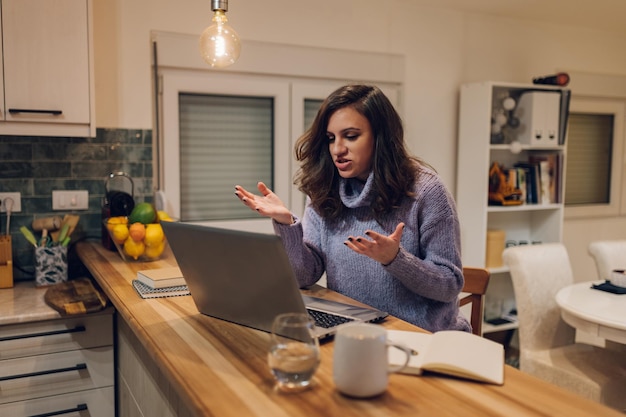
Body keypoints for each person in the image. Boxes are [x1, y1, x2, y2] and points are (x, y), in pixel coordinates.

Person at [235, 84, 470, 333]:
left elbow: (449, 285)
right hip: (355, 332)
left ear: (380, 137)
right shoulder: (324, 189)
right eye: (331, 138)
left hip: (420, 337)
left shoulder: (426, 191)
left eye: (351, 136)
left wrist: (395, 259)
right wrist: (286, 224)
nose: (337, 149)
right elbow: (305, 276)